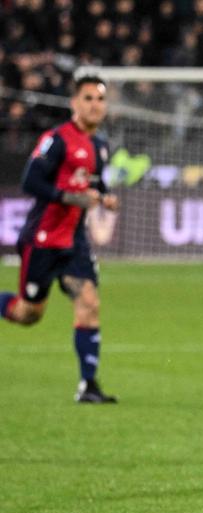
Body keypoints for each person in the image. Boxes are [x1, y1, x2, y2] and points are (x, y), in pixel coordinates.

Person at [0, 73, 120, 404]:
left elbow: (95, 185)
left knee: (89, 303)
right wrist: (69, 198)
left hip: (74, 242)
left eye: (100, 99)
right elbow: (30, 182)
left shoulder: (101, 146)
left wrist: (105, 198)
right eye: (88, 98)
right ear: (73, 103)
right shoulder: (58, 140)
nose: (95, 105)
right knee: (28, 314)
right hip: (43, 238)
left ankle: (88, 385)